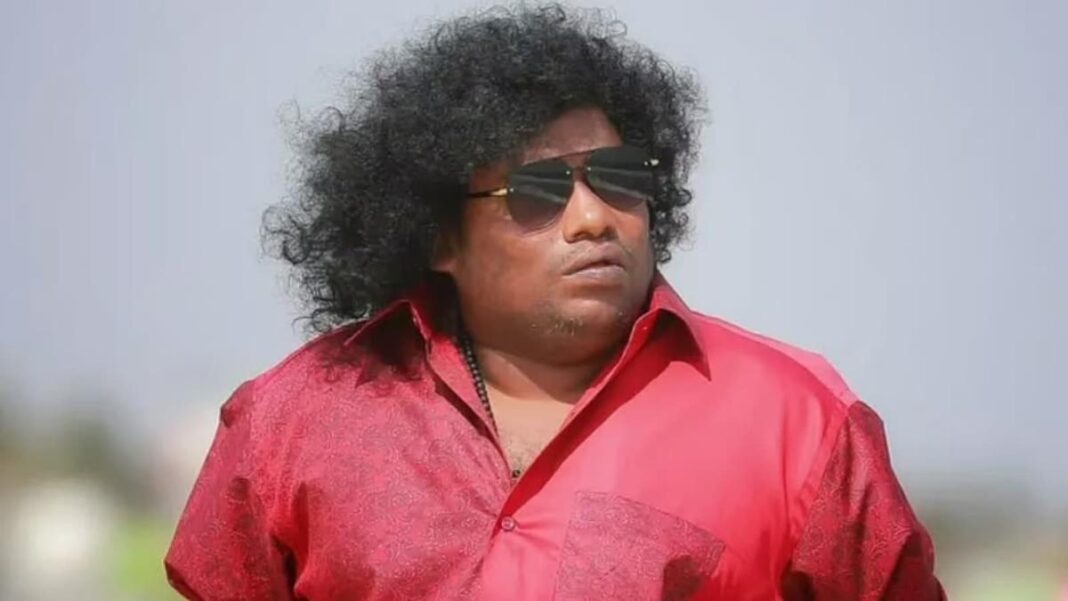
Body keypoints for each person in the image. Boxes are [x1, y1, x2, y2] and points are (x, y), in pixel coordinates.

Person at [165, 4, 946, 600]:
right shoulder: (292, 422)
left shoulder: (800, 422)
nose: (594, 217)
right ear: (439, 235)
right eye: (539, 189)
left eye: (619, 177)